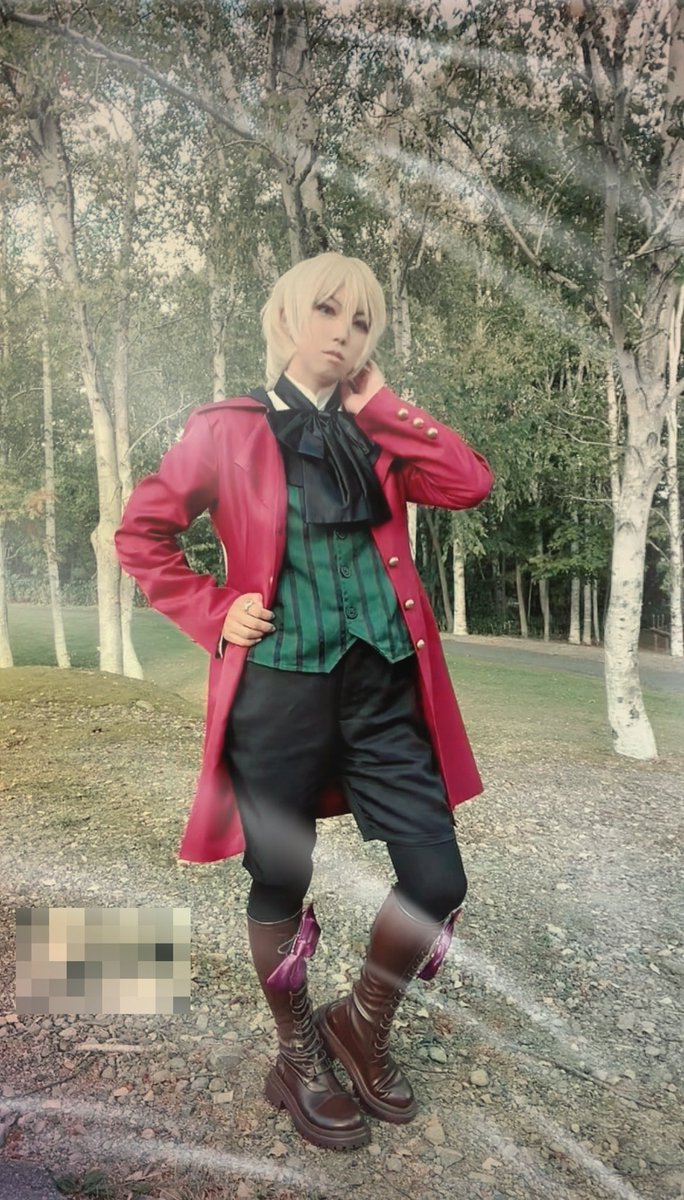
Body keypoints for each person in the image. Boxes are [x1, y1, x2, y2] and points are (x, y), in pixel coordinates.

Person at [115, 251, 494, 1152]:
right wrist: (214, 609)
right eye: (327, 311)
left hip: (383, 691)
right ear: (287, 316)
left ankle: (358, 1025)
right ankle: (297, 1053)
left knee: (437, 878)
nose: (344, 333)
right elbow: (141, 534)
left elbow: (468, 483)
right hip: (278, 694)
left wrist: (383, 405)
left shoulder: (381, 436)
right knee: (281, 877)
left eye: (362, 322)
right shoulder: (226, 429)